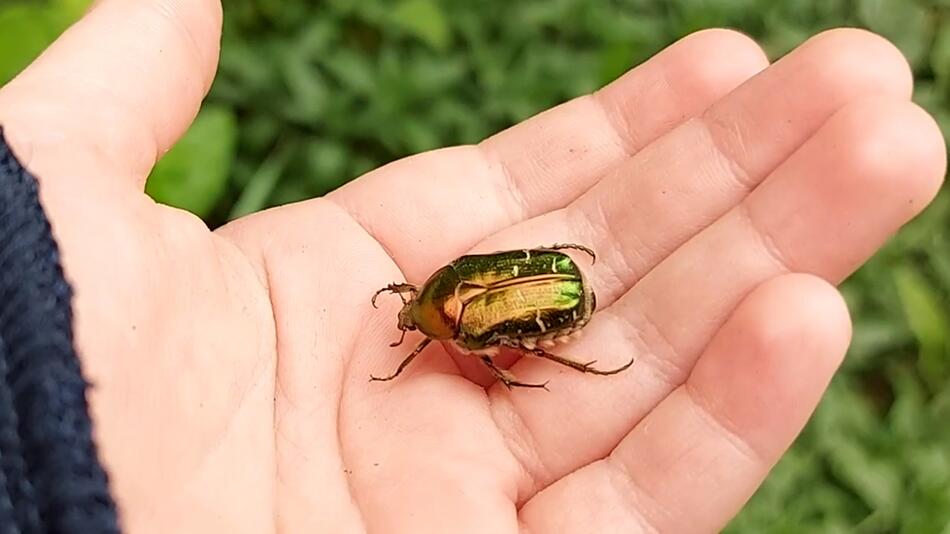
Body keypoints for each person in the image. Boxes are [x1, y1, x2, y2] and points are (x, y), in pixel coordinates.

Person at [0, 2, 945, 533]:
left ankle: (581, 361)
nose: (410, 324)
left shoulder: (461, 316)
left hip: (555, 293)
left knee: (523, 350)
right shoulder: (451, 292)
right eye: (414, 319)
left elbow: (505, 302)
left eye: (412, 318)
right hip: (551, 282)